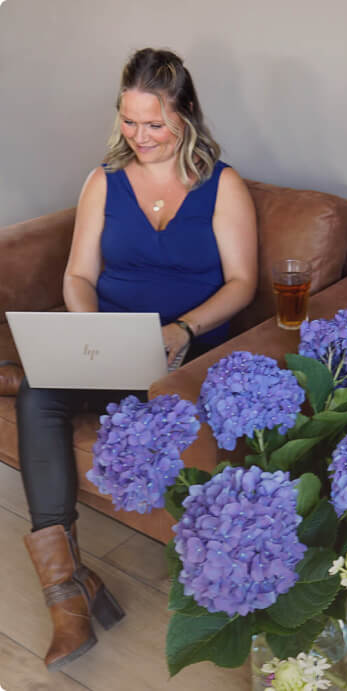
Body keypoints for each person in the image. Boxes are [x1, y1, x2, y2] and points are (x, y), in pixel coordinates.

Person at [16, 48, 257, 671]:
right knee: (40, 394)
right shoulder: (103, 181)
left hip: (183, 354)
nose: (139, 137)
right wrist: (90, 332)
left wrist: (183, 328)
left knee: (94, 387)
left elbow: (242, 283)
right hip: (110, 343)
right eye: (129, 121)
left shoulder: (222, 185)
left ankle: (78, 594)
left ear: (187, 115)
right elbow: (78, 273)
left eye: (154, 123)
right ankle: (66, 590)